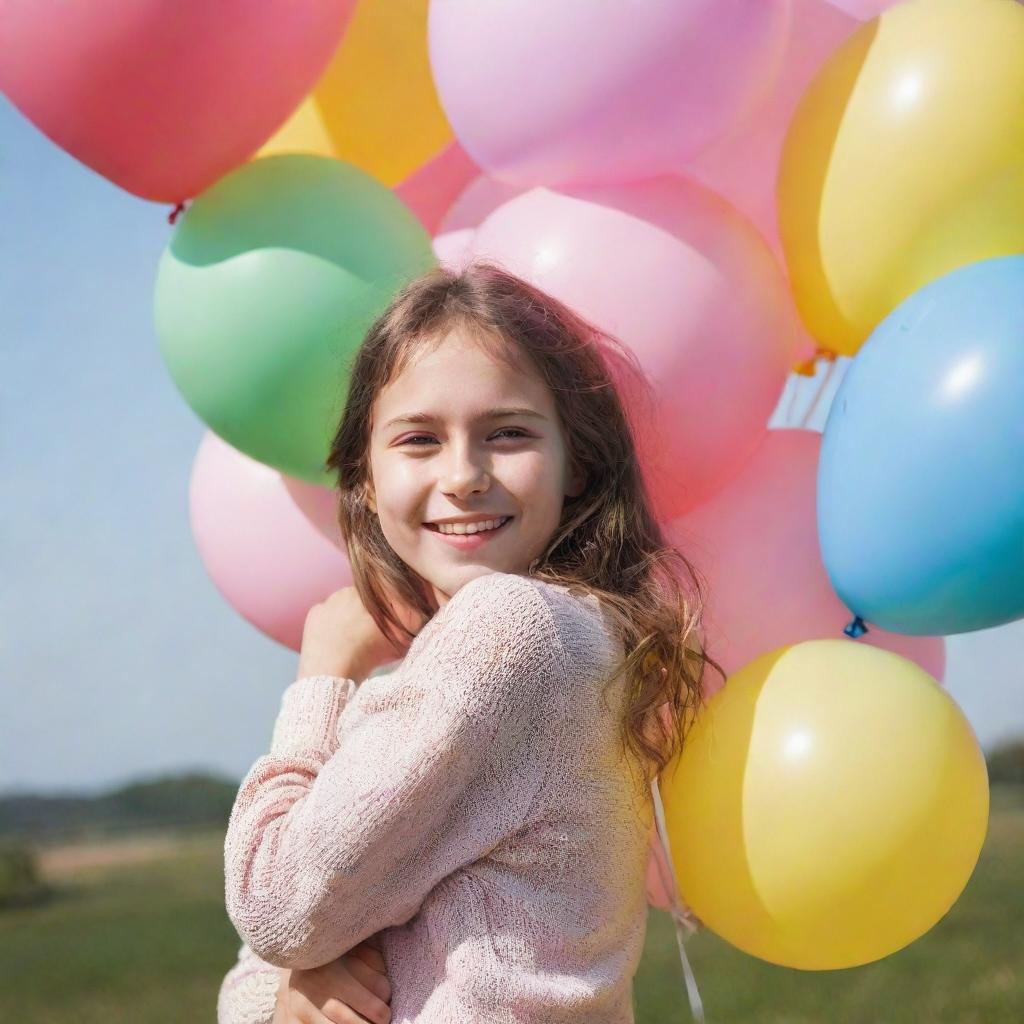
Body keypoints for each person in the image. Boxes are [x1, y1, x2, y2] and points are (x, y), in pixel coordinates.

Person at [217, 260, 721, 1024]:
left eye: (507, 434)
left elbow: (275, 905)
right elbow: (267, 971)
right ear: (364, 477)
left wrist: (322, 674)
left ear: (576, 462)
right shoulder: (567, 637)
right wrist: (299, 980)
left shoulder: (512, 633)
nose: (463, 476)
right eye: (419, 439)